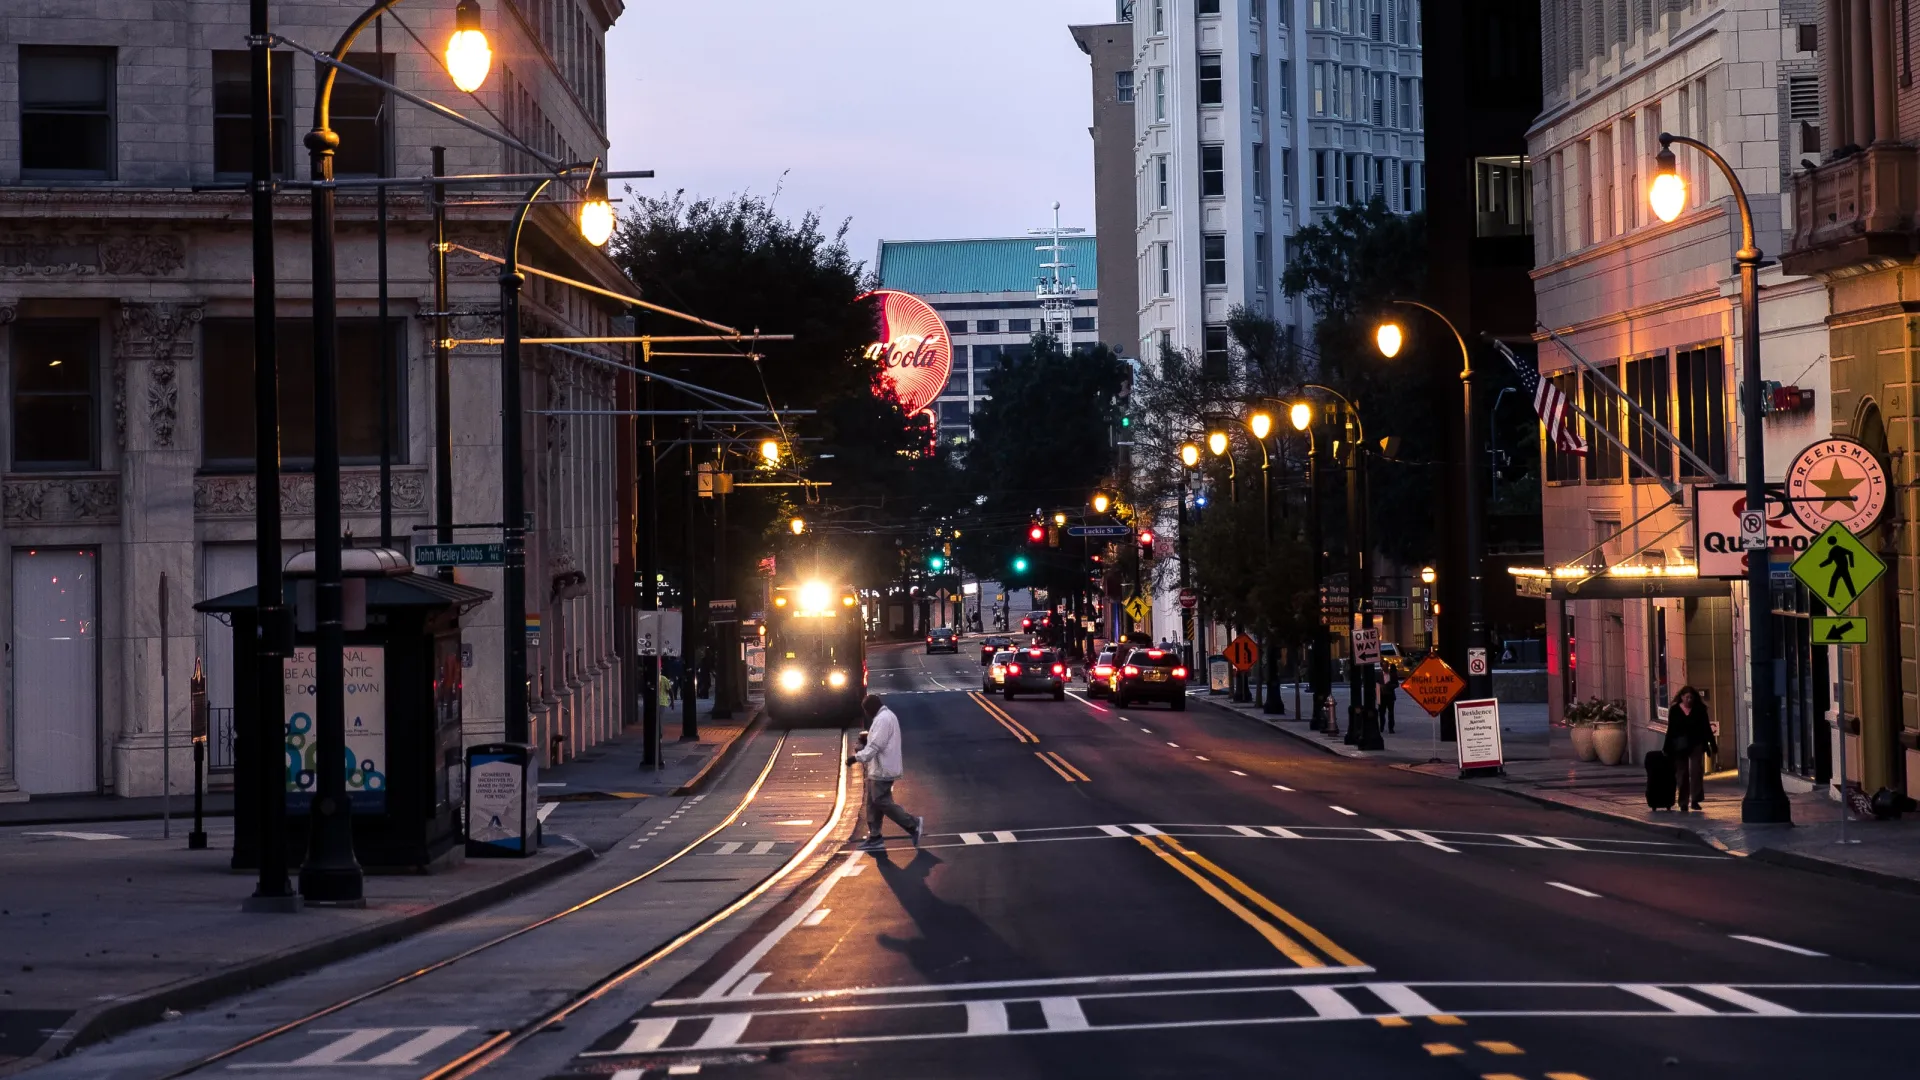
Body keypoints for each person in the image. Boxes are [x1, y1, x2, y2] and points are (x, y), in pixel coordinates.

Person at [848, 694, 923, 849]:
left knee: (881, 801)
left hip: (883, 769)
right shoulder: (885, 717)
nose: (867, 714)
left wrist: (856, 758)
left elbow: (875, 746)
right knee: (872, 803)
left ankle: (912, 823)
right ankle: (875, 836)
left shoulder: (883, 719)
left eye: (867, 711)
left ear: (871, 708)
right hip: (877, 769)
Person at [1665, 685, 1717, 811]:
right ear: (1682, 697)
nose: (1689, 700)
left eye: (1691, 697)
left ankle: (1695, 799)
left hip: (1696, 743)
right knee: (1682, 773)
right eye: (1687, 697)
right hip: (1680, 745)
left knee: (1696, 771)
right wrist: (1667, 747)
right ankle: (1683, 801)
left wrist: (1712, 745)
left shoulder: (1699, 710)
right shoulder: (1675, 711)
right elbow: (1671, 730)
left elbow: (1706, 729)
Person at [1379, 666, 1399, 734]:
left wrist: (1389, 686)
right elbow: (1376, 684)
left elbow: (1397, 684)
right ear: (1382, 667)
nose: (1385, 668)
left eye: (1386, 666)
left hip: (1390, 696)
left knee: (1391, 713)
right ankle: (1381, 727)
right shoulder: (1379, 675)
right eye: (1383, 667)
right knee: (1381, 713)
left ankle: (1391, 728)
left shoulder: (1392, 675)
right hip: (1382, 697)